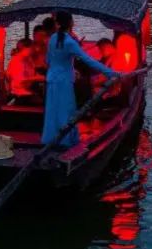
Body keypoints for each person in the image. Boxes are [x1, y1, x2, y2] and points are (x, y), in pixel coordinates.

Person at [42, 11, 118, 147]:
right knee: (67, 111)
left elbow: (48, 60)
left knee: (53, 111)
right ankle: (65, 142)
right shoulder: (69, 42)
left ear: (57, 23)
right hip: (64, 81)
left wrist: (70, 68)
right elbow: (88, 60)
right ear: (71, 23)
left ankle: (51, 139)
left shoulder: (52, 38)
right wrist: (110, 72)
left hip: (52, 79)